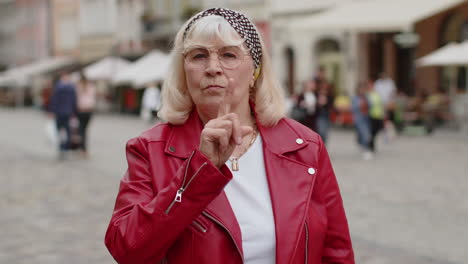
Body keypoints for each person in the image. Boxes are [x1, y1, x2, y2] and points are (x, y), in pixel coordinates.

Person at [104, 7, 354, 264]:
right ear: (184, 70)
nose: (213, 68)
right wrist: (199, 171)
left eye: (228, 55)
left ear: (255, 71)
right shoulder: (150, 149)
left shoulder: (305, 146)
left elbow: (336, 252)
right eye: (199, 56)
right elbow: (127, 249)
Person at [48, 71, 77, 160]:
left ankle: (62, 148)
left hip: (60, 112)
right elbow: (74, 101)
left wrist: (52, 111)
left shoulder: (58, 87)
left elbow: (54, 100)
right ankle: (64, 148)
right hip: (67, 112)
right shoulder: (71, 87)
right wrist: (74, 112)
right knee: (66, 131)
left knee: (60, 131)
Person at [76, 72, 96, 158]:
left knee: (81, 130)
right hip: (89, 110)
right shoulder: (91, 87)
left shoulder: (78, 87)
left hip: (81, 110)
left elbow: (76, 99)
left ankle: (82, 149)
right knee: (84, 130)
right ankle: (82, 148)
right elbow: (93, 98)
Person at [351, 82, 372, 160]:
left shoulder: (366, 97)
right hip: (358, 118)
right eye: (361, 89)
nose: (363, 90)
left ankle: (365, 148)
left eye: (364, 89)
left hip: (366, 118)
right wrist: (360, 104)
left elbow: (370, 105)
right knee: (362, 133)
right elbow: (353, 108)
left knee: (366, 134)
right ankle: (363, 146)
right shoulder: (355, 98)